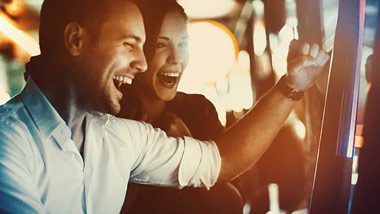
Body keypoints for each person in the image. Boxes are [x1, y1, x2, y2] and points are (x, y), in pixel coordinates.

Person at [0, 0, 329, 213]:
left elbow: (223, 161)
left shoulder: (118, 136)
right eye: (130, 45)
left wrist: (291, 86)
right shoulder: (8, 141)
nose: (141, 63)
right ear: (75, 41)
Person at [118, 1, 243, 213]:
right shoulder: (111, 113)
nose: (176, 58)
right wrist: (142, 153)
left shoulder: (199, 110)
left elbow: (233, 205)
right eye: (160, 44)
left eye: (183, 44)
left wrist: (189, 147)